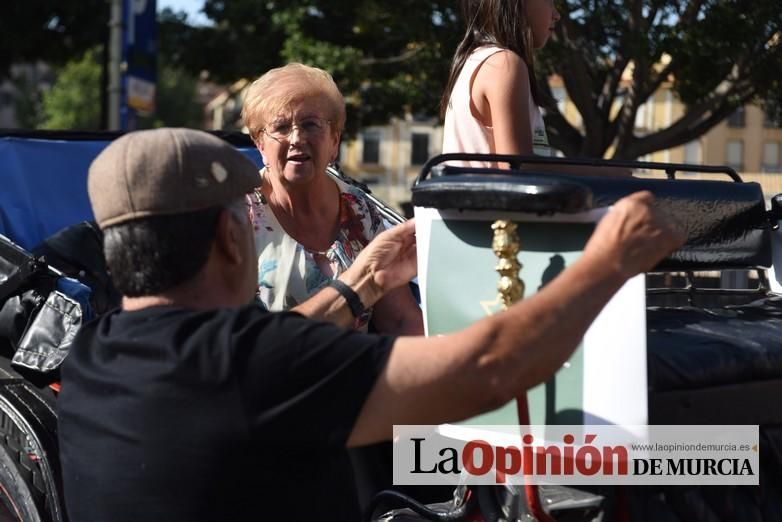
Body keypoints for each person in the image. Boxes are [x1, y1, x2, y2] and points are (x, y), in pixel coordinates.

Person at [58, 128, 683, 522]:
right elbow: (492, 367)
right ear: (230, 235)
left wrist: (366, 279)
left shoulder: (92, 355)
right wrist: (609, 261)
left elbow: (268, 362)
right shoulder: (255, 364)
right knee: (707, 457)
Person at [241, 63, 423, 334]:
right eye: (280, 127)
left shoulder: (360, 210)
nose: (297, 138)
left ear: (335, 140)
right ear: (259, 144)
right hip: (272, 371)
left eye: (310, 125)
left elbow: (399, 320)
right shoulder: (237, 216)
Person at [441, 0, 627, 176]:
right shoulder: (503, 63)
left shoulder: (476, 59)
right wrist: (604, 173)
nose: (556, 15)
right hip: (490, 208)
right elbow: (517, 166)